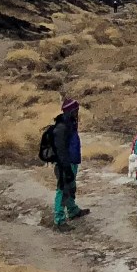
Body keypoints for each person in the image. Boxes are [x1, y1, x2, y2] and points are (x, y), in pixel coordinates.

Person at [48, 97, 87, 228]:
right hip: (65, 163)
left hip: (72, 161)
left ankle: (72, 210)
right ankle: (59, 219)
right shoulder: (62, 127)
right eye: (76, 110)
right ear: (70, 111)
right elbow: (61, 150)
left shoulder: (70, 123)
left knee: (70, 186)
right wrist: (65, 167)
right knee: (63, 189)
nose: (77, 113)